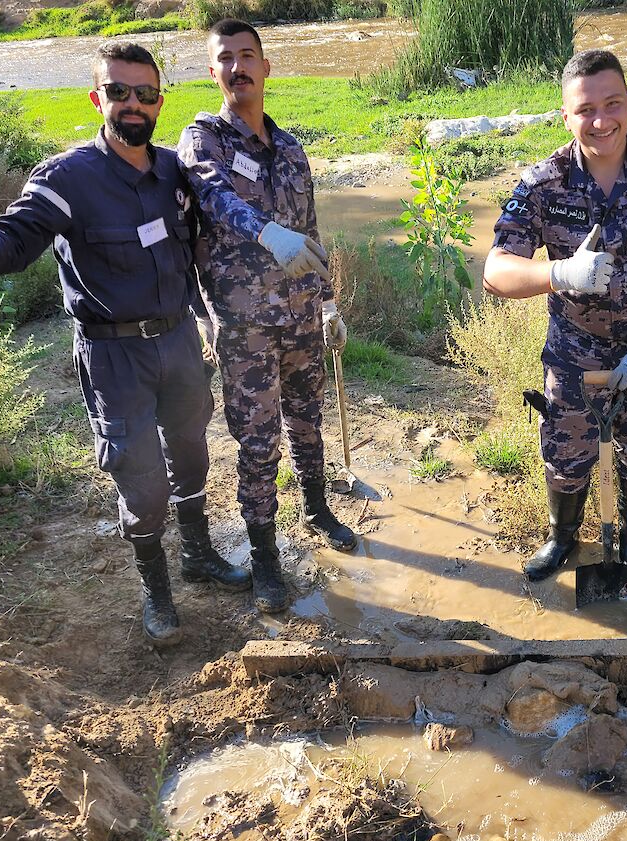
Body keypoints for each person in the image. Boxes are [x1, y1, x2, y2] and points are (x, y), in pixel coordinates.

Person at [0, 42, 250, 646]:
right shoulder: (67, 177)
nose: (133, 104)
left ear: (160, 101)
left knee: (191, 454)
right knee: (141, 478)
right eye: (118, 92)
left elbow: (194, 250)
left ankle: (199, 555)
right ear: (96, 98)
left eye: (145, 93)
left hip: (180, 343)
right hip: (116, 357)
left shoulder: (171, 173)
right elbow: (11, 247)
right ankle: (157, 593)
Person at [483, 49, 627, 581]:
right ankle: (562, 539)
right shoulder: (546, 182)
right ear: (566, 116)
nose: (601, 120)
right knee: (565, 453)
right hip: (575, 350)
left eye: (613, 104)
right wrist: (560, 274)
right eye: (585, 109)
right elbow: (496, 272)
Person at [176, 18, 357, 616]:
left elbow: (310, 233)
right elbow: (211, 195)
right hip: (245, 325)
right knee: (257, 443)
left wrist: (329, 301)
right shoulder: (204, 139)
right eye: (225, 59)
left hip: (303, 316)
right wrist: (264, 230)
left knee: (309, 420)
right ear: (213, 72)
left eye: (247, 55)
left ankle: (316, 506)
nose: (238, 67)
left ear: (266, 67)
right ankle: (265, 557)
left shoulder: (291, 150)